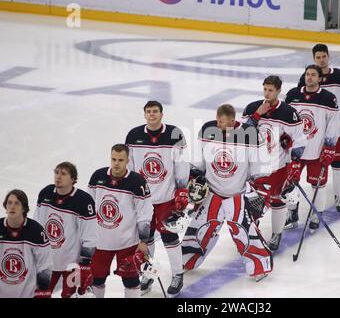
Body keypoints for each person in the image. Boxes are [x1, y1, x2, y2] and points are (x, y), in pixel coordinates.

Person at [182, 104, 273, 281]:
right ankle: (186, 260)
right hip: (212, 193)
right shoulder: (208, 130)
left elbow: (259, 168)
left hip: (237, 194)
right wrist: (194, 177)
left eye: (222, 121)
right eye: (217, 120)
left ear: (232, 120)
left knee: (244, 232)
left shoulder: (249, 134)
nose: (218, 124)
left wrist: (261, 191)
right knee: (199, 228)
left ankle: (260, 266)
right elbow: (199, 162)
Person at [125, 101, 189, 297]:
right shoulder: (134, 135)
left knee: (170, 237)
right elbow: (132, 165)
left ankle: (178, 273)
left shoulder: (174, 134)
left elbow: (181, 163)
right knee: (146, 238)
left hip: (166, 197)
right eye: (148, 112)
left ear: (162, 114)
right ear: (144, 114)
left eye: (155, 112)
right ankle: (148, 273)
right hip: (144, 200)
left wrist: (181, 188)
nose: (152, 115)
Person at [284, 44, 340, 232]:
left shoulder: (328, 98)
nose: (310, 77)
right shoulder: (293, 95)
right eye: (307, 75)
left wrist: (330, 146)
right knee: (290, 181)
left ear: (320, 79)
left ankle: (316, 213)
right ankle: (292, 212)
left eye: (313, 75)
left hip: (317, 148)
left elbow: (334, 123)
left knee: (318, 184)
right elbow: (287, 120)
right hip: (297, 148)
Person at [241, 75, 306, 250]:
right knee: (251, 202)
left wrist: (295, 164)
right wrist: (257, 115)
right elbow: (242, 136)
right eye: (265, 89)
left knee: (277, 200)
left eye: (271, 90)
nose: (267, 93)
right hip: (255, 167)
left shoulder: (289, 113)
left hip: (278, 167)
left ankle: (276, 234)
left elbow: (299, 141)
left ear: (278, 91)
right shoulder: (252, 108)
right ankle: (253, 234)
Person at [87, 144, 153, 298]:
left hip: (127, 242)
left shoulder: (137, 182)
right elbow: (88, 208)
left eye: (120, 160)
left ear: (127, 160)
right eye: (113, 159)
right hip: (101, 240)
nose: (116, 163)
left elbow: (145, 213)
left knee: (130, 281)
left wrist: (143, 241)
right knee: (96, 279)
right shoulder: (98, 176)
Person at [33, 162, 97, 298]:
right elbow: (36, 225)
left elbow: (90, 234)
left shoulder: (83, 200)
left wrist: (86, 263)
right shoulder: (45, 193)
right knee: (40, 295)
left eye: (63, 174)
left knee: (70, 295)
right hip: (47, 263)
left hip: (72, 264)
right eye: (56, 173)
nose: (58, 177)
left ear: (73, 179)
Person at [0, 189, 52, 298]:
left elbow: (44, 265)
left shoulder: (36, 231)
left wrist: (43, 290)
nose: (12, 206)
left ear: (24, 208)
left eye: (17, 203)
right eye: (9, 203)